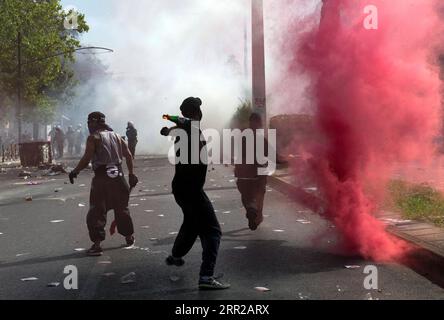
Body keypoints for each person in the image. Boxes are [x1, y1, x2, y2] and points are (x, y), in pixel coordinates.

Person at [160, 97, 230, 290]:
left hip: (182, 188)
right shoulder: (190, 126)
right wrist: (170, 123)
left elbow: (176, 126)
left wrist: (168, 126)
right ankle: (206, 277)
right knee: (213, 231)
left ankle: (176, 255)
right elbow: (182, 123)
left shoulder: (185, 129)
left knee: (192, 223)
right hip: (191, 189)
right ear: (197, 112)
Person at [69, 112, 139, 256]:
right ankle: (129, 237)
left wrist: (75, 171)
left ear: (94, 123)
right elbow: (128, 156)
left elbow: (87, 158)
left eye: (89, 123)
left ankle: (96, 245)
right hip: (119, 178)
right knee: (122, 209)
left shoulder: (94, 138)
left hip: (102, 179)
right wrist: (131, 174)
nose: (88, 126)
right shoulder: (117, 136)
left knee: (97, 211)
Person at [234, 113, 269, 231]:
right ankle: (256, 213)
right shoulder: (261, 139)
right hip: (258, 175)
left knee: (245, 196)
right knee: (259, 194)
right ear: (259, 124)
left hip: (242, 174)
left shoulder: (242, 137)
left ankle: (251, 210)